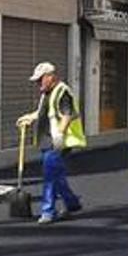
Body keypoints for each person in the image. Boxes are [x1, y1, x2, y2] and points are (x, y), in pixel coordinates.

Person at [16, 62, 87, 224]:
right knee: (57, 175)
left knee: (49, 176)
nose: (37, 84)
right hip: (47, 140)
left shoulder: (62, 92)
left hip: (56, 142)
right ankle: (72, 203)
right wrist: (30, 117)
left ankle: (48, 211)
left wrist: (59, 136)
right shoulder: (47, 93)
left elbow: (67, 115)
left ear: (50, 77)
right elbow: (45, 112)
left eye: (40, 80)